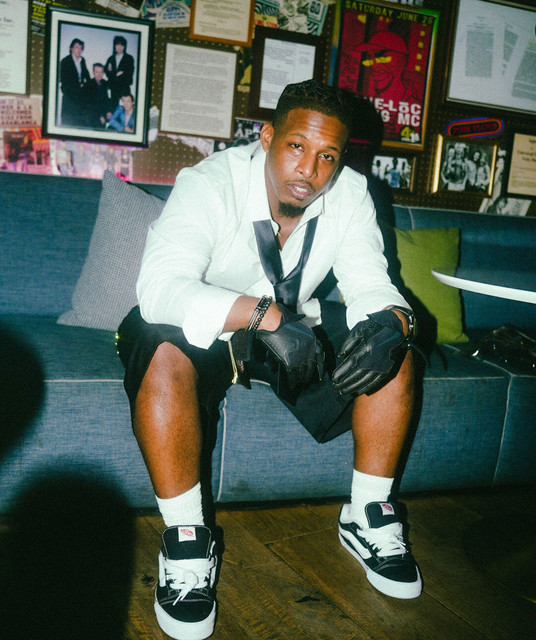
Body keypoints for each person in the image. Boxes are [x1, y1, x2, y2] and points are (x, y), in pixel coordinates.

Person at [116, 79, 421, 640]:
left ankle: (368, 514)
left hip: (293, 324)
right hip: (208, 320)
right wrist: (263, 315)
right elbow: (159, 288)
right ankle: (186, 541)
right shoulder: (210, 183)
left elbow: (371, 284)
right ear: (267, 136)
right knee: (157, 345)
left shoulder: (351, 194)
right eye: (297, 146)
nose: (309, 169)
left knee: (393, 352)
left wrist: (395, 323)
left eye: (327, 155)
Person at [59, 38, 90, 127]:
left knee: (80, 121)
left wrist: (88, 87)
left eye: (81, 48)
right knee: (68, 121)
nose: (79, 50)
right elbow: (64, 81)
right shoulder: (65, 61)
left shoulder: (82, 60)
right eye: (77, 47)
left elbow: (87, 76)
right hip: (70, 96)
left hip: (80, 96)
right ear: (71, 48)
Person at [105, 35, 135, 110]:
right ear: (115, 46)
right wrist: (117, 74)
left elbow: (130, 72)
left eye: (122, 45)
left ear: (124, 47)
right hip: (113, 87)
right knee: (114, 107)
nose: (119, 47)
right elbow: (107, 72)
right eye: (117, 45)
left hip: (124, 86)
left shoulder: (129, 58)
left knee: (126, 107)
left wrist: (117, 74)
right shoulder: (111, 58)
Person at [85, 63, 113, 129]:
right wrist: (99, 116)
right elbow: (89, 104)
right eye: (97, 72)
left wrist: (109, 111)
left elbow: (107, 99)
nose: (99, 74)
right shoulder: (88, 84)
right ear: (93, 72)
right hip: (92, 116)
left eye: (101, 72)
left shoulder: (104, 83)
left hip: (103, 114)